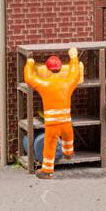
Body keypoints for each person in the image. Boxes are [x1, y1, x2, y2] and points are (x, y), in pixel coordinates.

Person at [24, 47, 80, 179]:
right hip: (66, 121)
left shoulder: (44, 84)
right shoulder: (68, 83)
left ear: (48, 69)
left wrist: (29, 64)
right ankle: (68, 153)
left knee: (49, 146)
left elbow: (29, 78)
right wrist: (73, 57)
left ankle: (47, 170)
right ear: (60, 68)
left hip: (52, 124)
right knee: (68, 137)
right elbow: (75, 74)